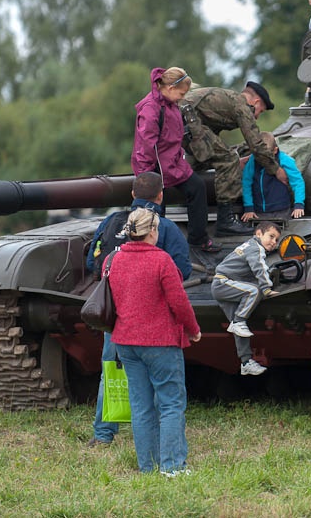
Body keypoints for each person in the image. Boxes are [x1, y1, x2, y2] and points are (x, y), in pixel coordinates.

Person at [88, 172, 192, 448]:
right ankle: (160, 436)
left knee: (110, 371)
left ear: (132, 195)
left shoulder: (111, 222)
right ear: (161, 196)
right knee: (160, 382)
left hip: (115, 318)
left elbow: (92, 262)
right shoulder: (165, 228)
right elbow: (182, 271)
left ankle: (103, 433)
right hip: (153, 319)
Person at [108, 208, 201, 476]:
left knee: (141, 405)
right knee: (171, 403)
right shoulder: (162, 261)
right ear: (152, 232)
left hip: (125, 341)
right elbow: (179, 303)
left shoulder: (114, 260)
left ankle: (147, 467)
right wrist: (193, 330)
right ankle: (173, 467)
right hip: (159, 341)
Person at [180, 82, 286, 237]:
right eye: (259, 111)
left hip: (184, 120)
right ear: (255, 102)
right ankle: (226, 221)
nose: (256, 116)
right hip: (188, 120)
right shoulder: (241, 105)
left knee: (205, 160)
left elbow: (212, 142)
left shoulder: (226, 101)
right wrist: (276, 170)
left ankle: (189, 195)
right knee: (228, 160)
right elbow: (255, 143)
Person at [132, 66, 219, 252]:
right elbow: (147, 144)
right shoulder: (151, 108)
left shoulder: (171, 105)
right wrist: (147, 176)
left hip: (173, 163)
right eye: (181, 93)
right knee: (156, 207)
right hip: (155, 167)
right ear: (170, 88)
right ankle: (157, 247)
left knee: (197, 187)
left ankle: (198, 238)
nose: (182, 98)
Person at [210, 221, 282, 375]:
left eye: (276, 240)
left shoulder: (249, 245)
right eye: (271, 236)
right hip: (223, 283)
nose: (274, 242)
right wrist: (267, 288)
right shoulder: (255, 248)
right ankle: (238, 321)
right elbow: (259, 268)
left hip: (227, 285)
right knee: (254, 292)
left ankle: (246, 361)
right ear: (258, 234)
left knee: (240, 329)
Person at [242, 132, 305, 221]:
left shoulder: (285, 160)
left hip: (281, 209)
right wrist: (248, 207)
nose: (262, 159)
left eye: (266, 155)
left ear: (275, 150)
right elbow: (246, 182)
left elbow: (297, 182)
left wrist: (299, 204)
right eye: (259, 155)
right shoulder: (253, 160)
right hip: (259, 210)